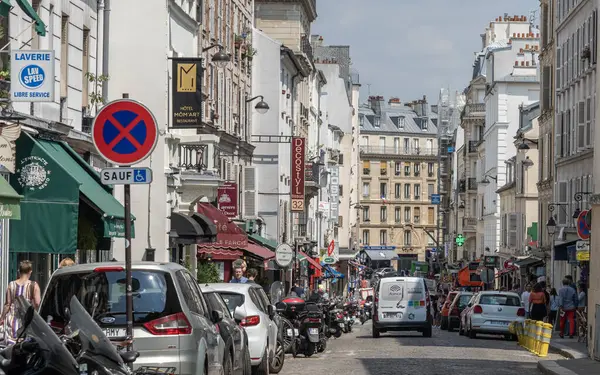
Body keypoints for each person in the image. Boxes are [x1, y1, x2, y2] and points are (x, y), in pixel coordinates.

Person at [0, 261, 42, 344]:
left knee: (11, 347)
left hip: (12, 323)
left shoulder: (11, 285)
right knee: (24, 347)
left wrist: (2, 318)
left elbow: (7, 304)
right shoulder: (33, 285)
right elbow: (37, 303)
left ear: (19, 271)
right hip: (26, 323)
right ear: (30, 271)